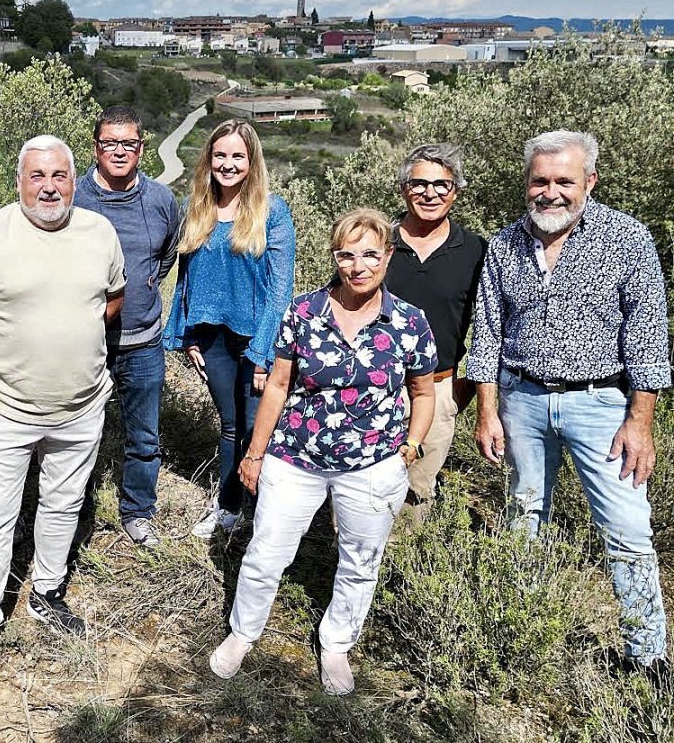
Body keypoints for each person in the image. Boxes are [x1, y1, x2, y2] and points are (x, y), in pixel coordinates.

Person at [209, 208, 437, 694]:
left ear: (388, 257)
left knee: (360, 559)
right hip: (295, 458)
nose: (358, 265)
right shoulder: (303, 311)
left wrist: (410, 449)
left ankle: (336, 644)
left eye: (370, 254)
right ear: (334, 257)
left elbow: (423, 392)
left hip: (374, 463)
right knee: (266, 551)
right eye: (346, 254)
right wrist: (253, 453)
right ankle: (242, 632)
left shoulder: (409, 322)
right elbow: (277, 385)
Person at [469, 130, 670, 673]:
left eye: (564, 180)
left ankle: (646, 659)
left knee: (627, 531)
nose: (550, 192)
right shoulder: (505, 243)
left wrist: (640, 423)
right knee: (523, 516)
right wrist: (487, 411)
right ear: (526, 183)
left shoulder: (626, 239)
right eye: (540, 180)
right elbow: (487, 331)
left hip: (602, 405)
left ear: (589, 182)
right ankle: (523, 634)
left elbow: (648, 335)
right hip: (522, 401)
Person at [0, 135, 125, 697]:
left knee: (63, 504)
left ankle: (46, 594)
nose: (49, 187)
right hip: (4, 408)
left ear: (75, 179)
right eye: (37, 176)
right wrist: (2, 347)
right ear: (19, 181)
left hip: (80, 406)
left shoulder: (99, 233)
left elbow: (110, 301)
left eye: (60, 176)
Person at [162, 119, 295, 537]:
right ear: (209, 159)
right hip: (212, 338)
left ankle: (264, 513)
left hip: (257, 339)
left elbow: (280, 289)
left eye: (238, 155)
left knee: (259, 429)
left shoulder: (272, 211)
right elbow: (186, 275)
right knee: (231, 425)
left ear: (252, 161)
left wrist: (263, 353)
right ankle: (229, 508)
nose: (228, 163)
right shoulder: (196, 207)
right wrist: (185, 334)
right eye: (220, 155)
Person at [73, 105, 180, 548]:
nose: (119, 151)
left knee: (144, 436)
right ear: (95, 148)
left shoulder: (160, 200)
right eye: (109, 143)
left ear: (142, 147)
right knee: (75, 434)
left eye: (128, 143)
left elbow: (168, 254)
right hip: (83, 342)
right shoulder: (73, 197)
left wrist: (146, 284)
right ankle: (72, 510)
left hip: (142, 342)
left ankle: (138, 511)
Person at [384, 144, 485, 520]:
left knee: (416, 496)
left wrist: (465, 390)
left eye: (442, 184)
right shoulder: (379, 243)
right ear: (403, 188)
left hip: (440, 389)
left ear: (455, 191)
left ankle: (401, 575)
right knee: (360, 494)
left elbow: (491, 326)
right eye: (420, 183)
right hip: (371, 390)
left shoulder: (475, 250)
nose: (431, 193)